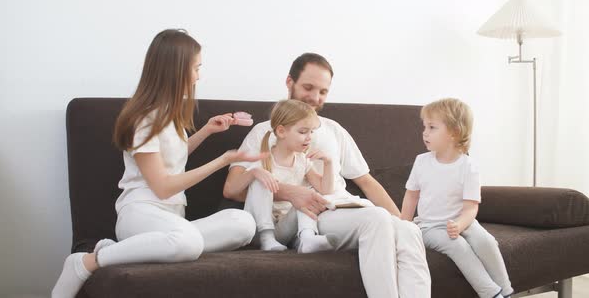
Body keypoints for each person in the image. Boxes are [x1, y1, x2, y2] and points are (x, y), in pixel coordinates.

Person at [52, 29, 264, 298]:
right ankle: (89, 261)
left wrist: (207, 131)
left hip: (172, 218)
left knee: (243, 223)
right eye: (196, 68)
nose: (199, 75)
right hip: (140, 213)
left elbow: (171, 159)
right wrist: (223, 160)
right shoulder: (145, 119)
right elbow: (162, 186)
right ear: (176, 70)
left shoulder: (169, 115)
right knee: (188, 241)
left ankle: (154, 246)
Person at [224, 53, 431, 298]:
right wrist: (290, 192)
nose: (315, 97)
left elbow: (365, 181)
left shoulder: (334, 129)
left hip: (342, 204)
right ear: (289, 82)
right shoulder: (264, 132)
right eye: (308, 87)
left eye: (323, 91)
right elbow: (232, 189)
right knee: (376, 220)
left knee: (408, 231)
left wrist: (401, 218)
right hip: (312, 215)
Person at [400, 98, 513, 298]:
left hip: (464, 222)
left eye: (432, 127)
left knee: (486, 241)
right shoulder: (421, 162)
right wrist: (404, 227)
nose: (424, 132)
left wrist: (460, 224)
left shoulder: (468, 167)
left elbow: (470, 208)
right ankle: (491, 293)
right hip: (429, 227)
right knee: (457, 246)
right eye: (424, 126)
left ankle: (506, 291)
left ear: (454, 132)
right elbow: (411, 196)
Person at [240, 99, 336, 253]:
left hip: (283, 231)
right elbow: (235, 187)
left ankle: (307, 239)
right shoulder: (263, 158)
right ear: (281, 131)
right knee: (261, 178)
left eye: (311, 132)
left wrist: (329, 163)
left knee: (304, 199)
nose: (309, 137)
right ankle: (267, 238)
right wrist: (253, 172)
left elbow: (326, 190)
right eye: (303, 132)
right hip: (259, 231)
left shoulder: (302, 161)